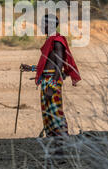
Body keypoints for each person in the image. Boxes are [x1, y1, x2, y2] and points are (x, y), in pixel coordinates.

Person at [21, 14, 81, 145]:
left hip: (52, 81)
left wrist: (52, 86)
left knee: (55, 113)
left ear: (50, 25)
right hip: (47, 80)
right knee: (48, 113)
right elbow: (48, 64)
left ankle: (62, 143)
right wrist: (30, 68)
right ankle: (55, 144)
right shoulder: (51, 40)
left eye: (44, 24)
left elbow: (59, 65)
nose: (42, 26)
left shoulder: (57, 41)